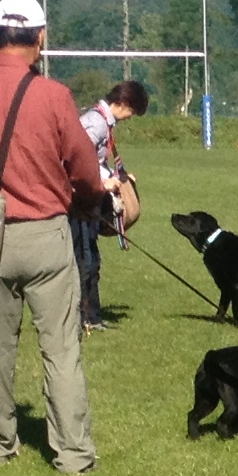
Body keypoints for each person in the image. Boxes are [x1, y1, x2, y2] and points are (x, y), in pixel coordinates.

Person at [0, 0, 109, 469]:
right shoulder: (54, 96)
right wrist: (86, 204)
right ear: (41, 38)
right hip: (46, 235)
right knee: (61, 351)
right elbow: (85, 169)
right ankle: (73, 454)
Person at [72, 78, 149, 333]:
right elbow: (75, 158)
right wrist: (102, 183)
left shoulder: (103, 122)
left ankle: (92, 316)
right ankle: (85, 317)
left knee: (91, 257)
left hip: (89, 197)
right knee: (85, 259)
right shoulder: (95, 123)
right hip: (81, 201)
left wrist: (120, 178)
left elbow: (96, 159)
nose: (130, 117)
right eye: (132, 111)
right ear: (124, 103)